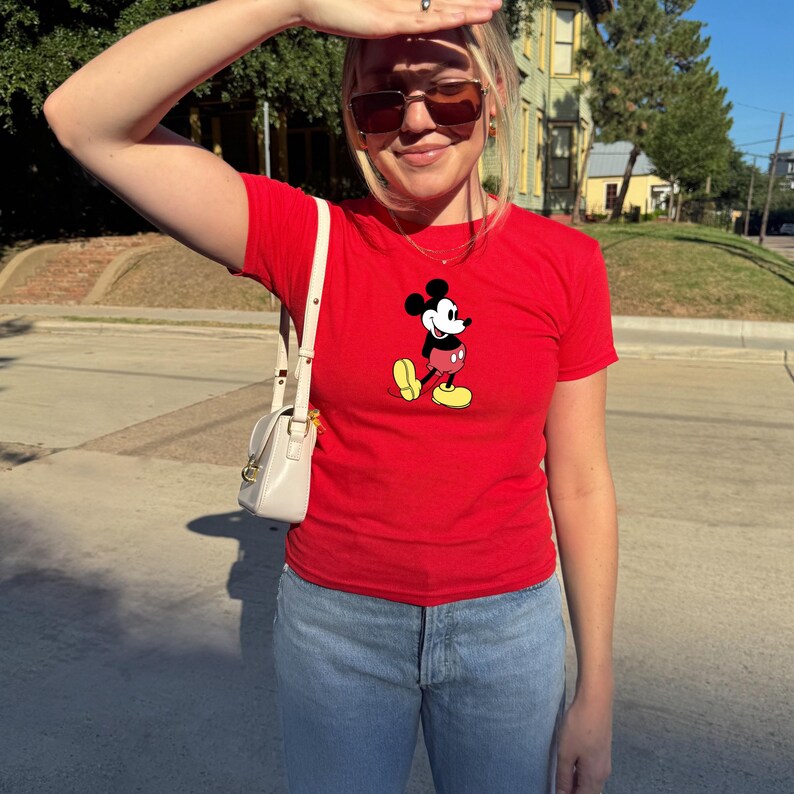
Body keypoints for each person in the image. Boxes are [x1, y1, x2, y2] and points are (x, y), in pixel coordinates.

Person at [44, 1, 618, 792]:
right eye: (382, 100)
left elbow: (581, 483)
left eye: (447, 94)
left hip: (508, 631)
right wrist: (289, 6)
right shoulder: (308, 236)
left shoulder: (566, 263)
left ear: (493, 100)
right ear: (354, 120)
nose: (415, 121)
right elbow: (83, 120)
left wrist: (597, 688)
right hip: (339, 628)